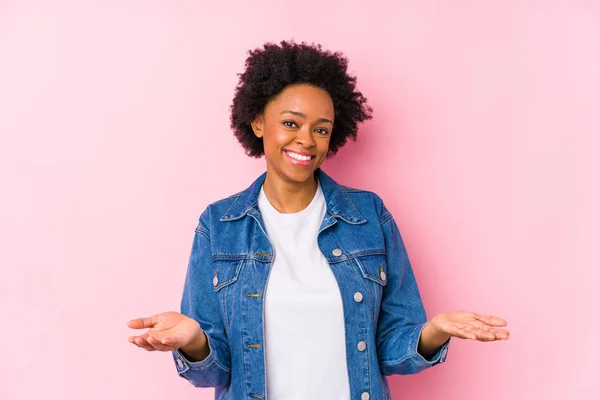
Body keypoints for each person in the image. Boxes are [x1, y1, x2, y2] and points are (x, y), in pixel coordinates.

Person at [127, 40, 510, 399]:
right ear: (258, 123)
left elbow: (393, 350)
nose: (307, 140)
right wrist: (194, 339)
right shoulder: (219, 225)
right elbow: (214, 372)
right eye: (291, 123)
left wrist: (432, 332)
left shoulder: (369, 216)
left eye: (321, 129)